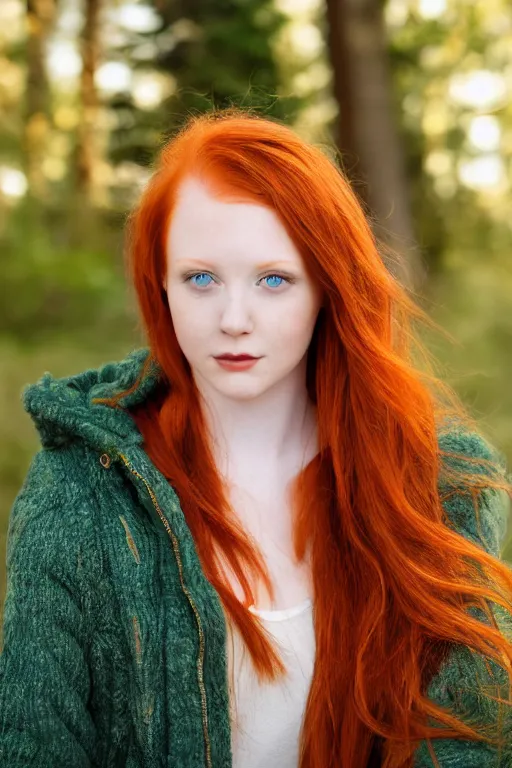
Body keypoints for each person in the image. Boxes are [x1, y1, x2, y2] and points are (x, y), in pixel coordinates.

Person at [0, 108, 511, 768]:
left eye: (274, 279)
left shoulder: (439, 480)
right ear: (160, 283)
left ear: (327, 287)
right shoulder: (80, 490)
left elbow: (474, 743)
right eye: (200, 278)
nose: (233, 320)